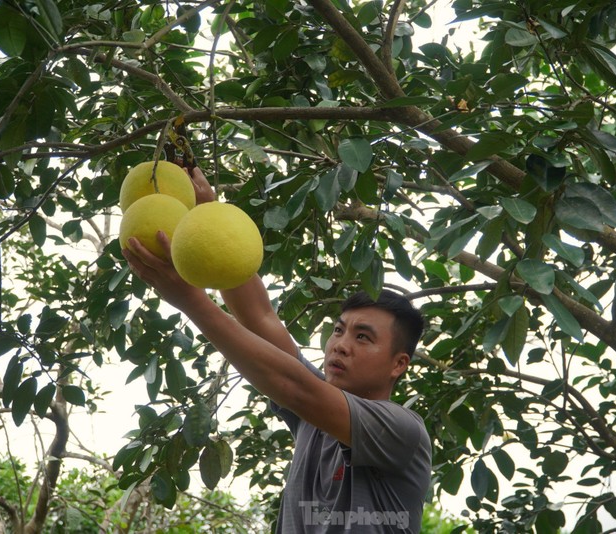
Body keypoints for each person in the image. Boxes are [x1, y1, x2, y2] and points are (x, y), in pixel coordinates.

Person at [122, 166, 432, 533]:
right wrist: (206, 215)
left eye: (362, 337)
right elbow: (262, 318)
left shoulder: (401, 430)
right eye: (338, 330)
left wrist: (192, 301)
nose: (340, 346)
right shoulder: (314, 421)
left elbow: (296, 387)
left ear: (399, 364)